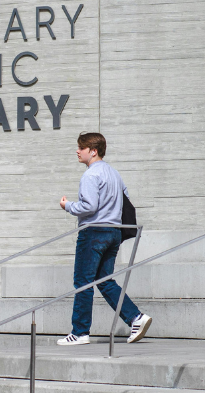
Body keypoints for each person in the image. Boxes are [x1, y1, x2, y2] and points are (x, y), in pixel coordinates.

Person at [57, 132, 152, 345]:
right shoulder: (114, 173)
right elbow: (124, 199)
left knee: (83, 282)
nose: (77, 151)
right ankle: (136, 318)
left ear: (93, 151)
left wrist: (68, 206)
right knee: (105, 281)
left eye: (81, 148)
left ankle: (80, 332)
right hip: (114, 232)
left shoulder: (91, 175)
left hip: (94, 232)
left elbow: (89, 206)